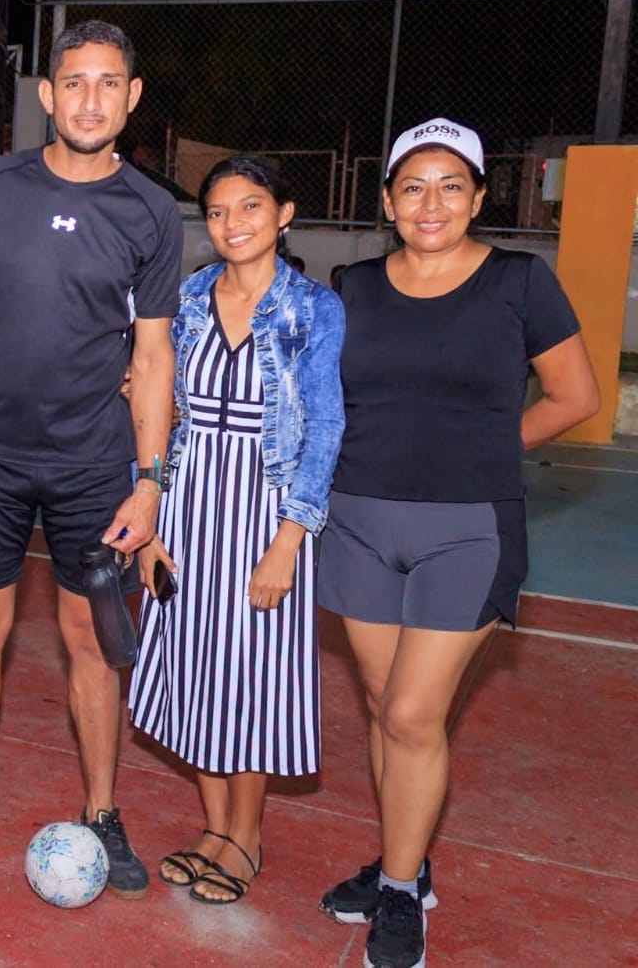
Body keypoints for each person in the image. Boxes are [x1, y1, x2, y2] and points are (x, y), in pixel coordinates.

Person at [0, 19, 180, 900]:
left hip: (92, 463)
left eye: (109, 83)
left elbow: (154, 353)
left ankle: (102, 810)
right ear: (49, 95)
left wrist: (150, 481)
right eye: (75, 82)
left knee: (91, 641)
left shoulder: (151, 211)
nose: (91, 99)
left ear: (132, 97)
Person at [316, 118, 598, 968]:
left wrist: (486, 453)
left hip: (467, 529)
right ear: (388, 201)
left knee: (412, 713)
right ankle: (403, 859)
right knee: (383, 706)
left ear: (478, 197)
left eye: (450, 186)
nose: (430, 203)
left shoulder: (520, 280)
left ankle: (402, 891)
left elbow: (575, 395)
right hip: (358, 521)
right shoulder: (353, 286)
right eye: (412, 187)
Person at [130, 156, 345, 906]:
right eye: (218, 211)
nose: (233, 224)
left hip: (265, 509)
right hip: (188, 501)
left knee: (252, 674)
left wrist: (290, 540)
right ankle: (214, 827)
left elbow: (325, 427)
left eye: (251, 207)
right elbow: (158, 408)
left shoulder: (313, 307)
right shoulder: (186, 297)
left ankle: (246, 836)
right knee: (195, 666)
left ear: (284, 214)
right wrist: (150, 518)